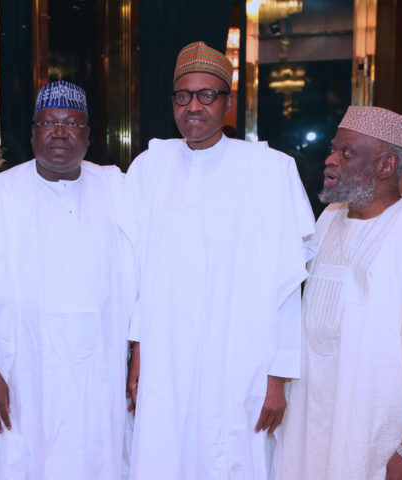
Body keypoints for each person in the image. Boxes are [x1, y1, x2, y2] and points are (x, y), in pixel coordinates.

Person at [126, 41, 315, 479]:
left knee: (231, 457)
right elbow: (137, 275)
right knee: (162, 456)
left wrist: (278, 377)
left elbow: (288, 285)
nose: (194, 106)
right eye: (184, 96)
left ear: (228, 102)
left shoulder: (270, 171)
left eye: (207, 95)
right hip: (166, 356)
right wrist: (138, 355)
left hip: (241, 355)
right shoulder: (149, 169)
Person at [0, 81, 138, 479]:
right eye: (49, 122)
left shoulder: (119, 190)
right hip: (20, 375)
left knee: (96, 458)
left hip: (98, 375)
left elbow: (144, 285)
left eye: (72, 123)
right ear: (33, 131)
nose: (60, 132)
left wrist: (138, 358)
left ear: (89, 135)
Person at [279, 106, 402, 479]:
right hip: (311, 423)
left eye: (346, 153)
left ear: (386, 165)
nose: (330, 160)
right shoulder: (328, 218)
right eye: (333, 149)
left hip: (379, 432)